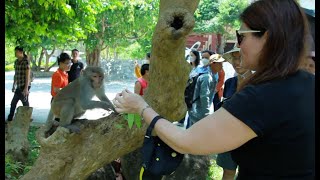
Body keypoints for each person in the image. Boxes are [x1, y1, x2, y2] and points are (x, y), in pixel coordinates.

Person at [113, 0, 315, 179]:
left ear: (267, 37)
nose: (238, 45)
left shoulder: (263, 96)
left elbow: (185, 141)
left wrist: (141, 107)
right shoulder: (306, 83)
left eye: (241, 36)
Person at [215, 45, 252, 180]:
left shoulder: (258, 82)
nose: (237, 62)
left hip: (250, 137)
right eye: (234, 58)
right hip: (229, 135)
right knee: (228, 172)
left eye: (241, 58)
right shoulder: (230, 82)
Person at [7, 46, 31, 122]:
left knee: (24, 102)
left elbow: (28, 76)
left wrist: (26, 88)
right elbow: (16, 74)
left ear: (21, 52)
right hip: (19, 85)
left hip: (24, 85)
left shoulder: (25, 62)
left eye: (16, 52)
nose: (15, 53)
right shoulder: (16, 61)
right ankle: (10, 119)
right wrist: (14, 84)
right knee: (15, 102)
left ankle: (26, 118)